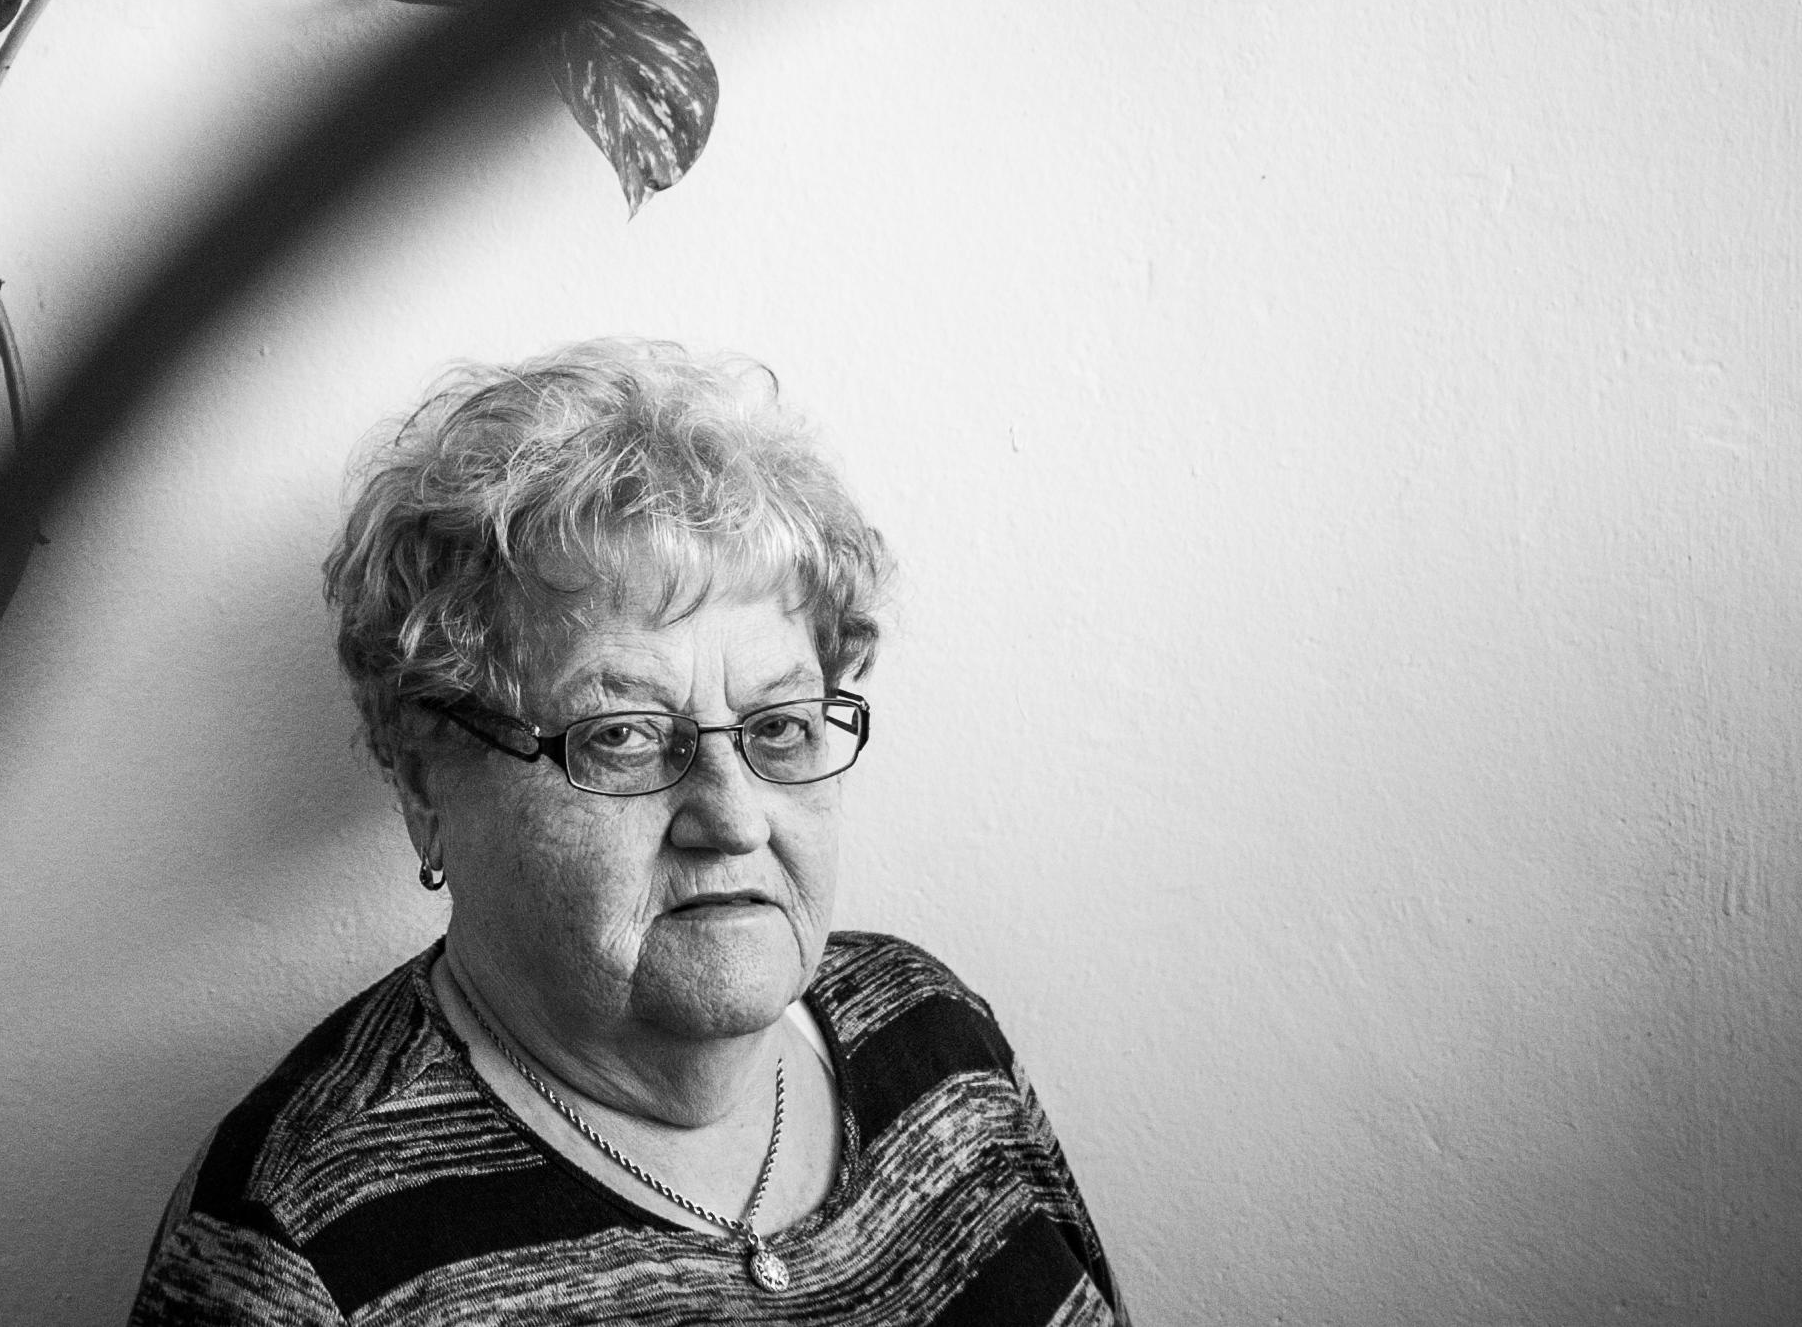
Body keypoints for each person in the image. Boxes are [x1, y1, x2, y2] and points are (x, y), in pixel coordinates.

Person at [131, 339, 1121, 1324]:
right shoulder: (300, 1253)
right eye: (624, 736)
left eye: (778, 727)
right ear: (427, 783)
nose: (733, 817)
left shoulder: (930, 1034)